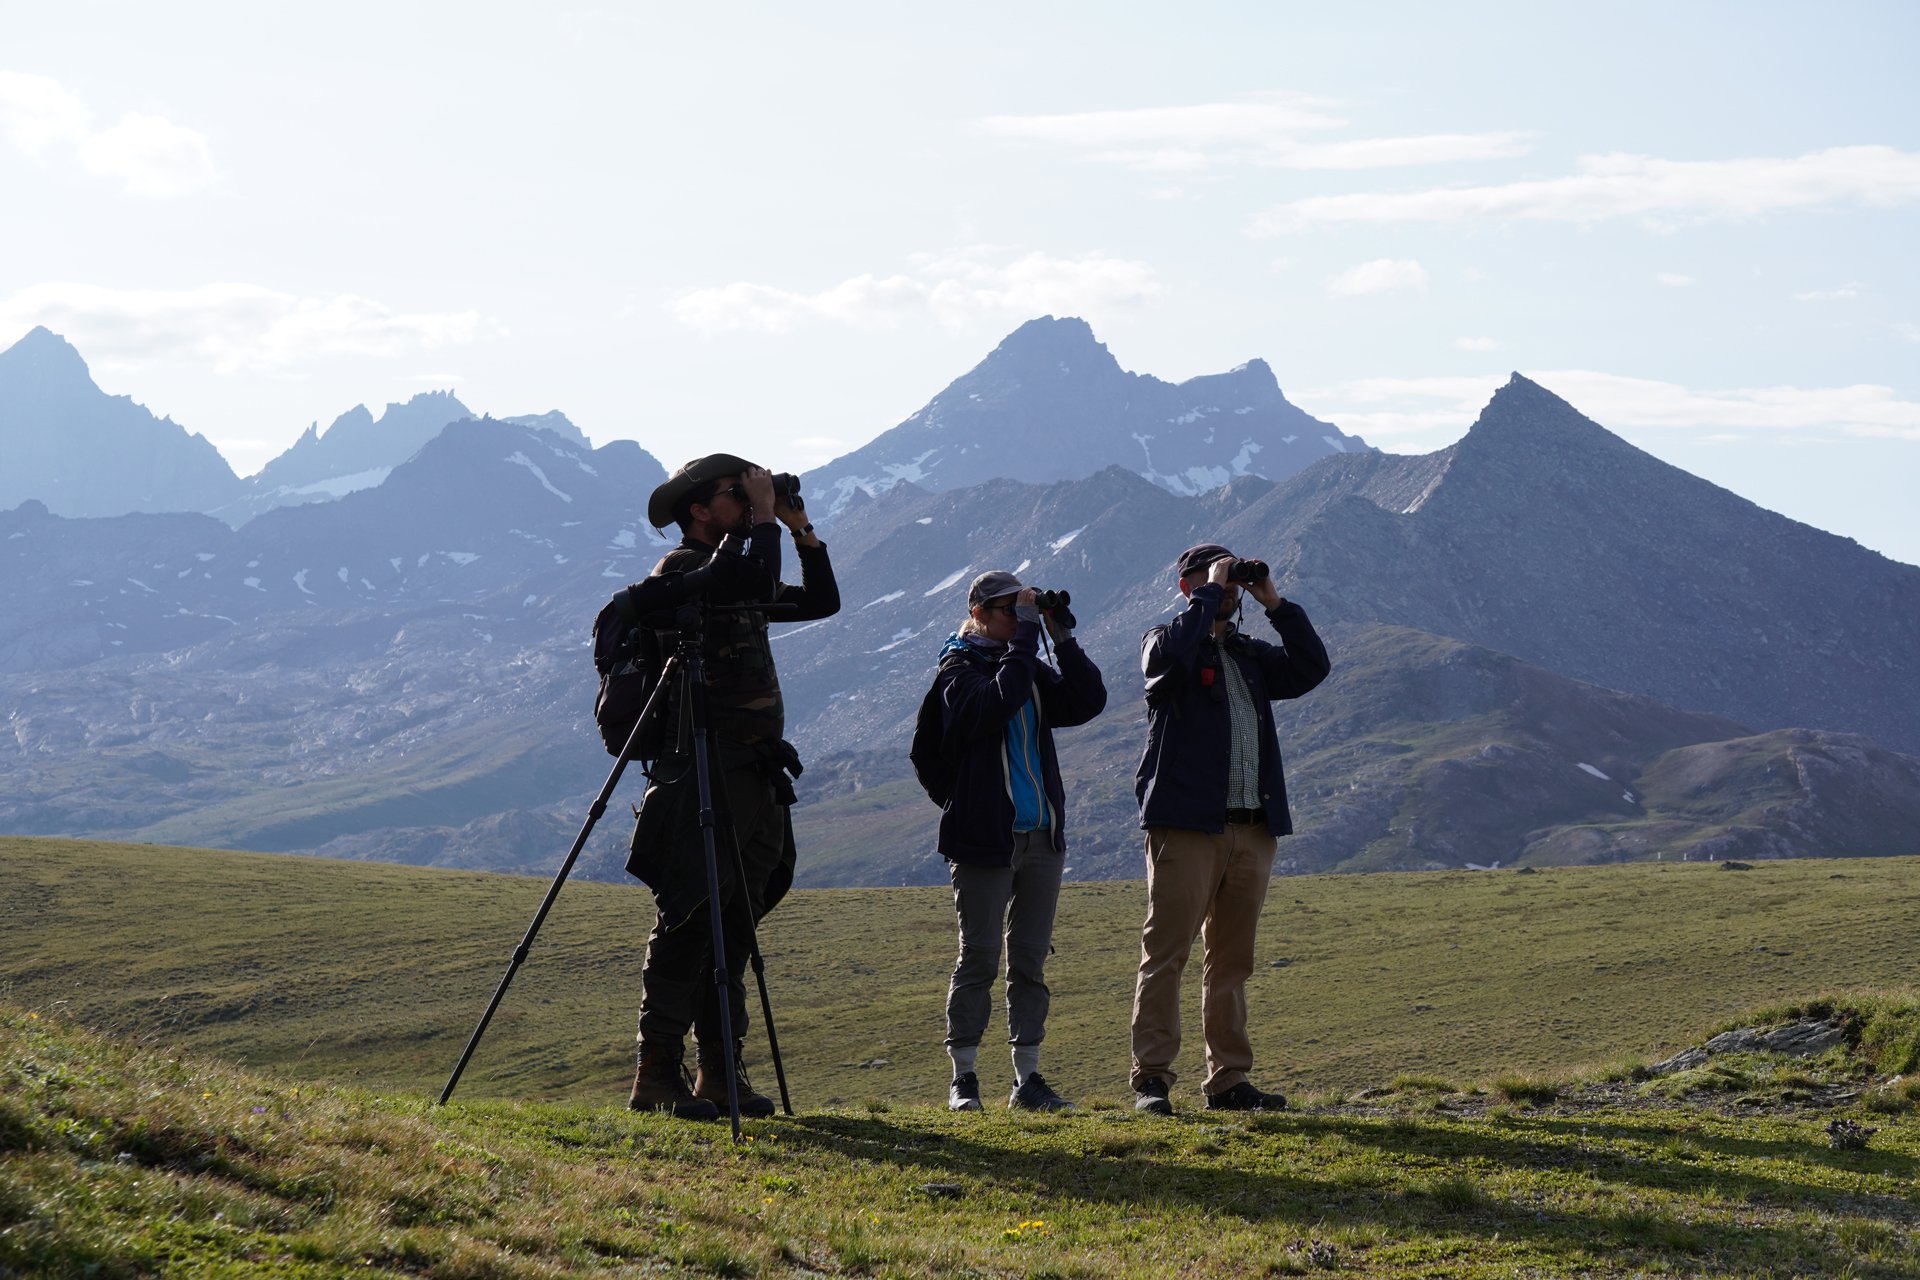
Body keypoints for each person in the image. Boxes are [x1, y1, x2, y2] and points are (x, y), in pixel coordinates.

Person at [624, 454, 839, 1120]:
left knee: (734, 925)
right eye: (735, 494)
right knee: (689, 915)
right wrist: (767, 520)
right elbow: (750, 575)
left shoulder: (739, 573)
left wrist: (800, 529)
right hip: (704, 772)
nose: (748, 502)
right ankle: (655, 1073)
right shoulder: (686, 573)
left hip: (755, 770)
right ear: (698, 510)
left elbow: (823, 601)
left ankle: (721, 1076)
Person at [1129, 543, 1330, 1114]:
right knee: (1167, 952)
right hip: (1188, 825)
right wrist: (1209, 593)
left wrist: (1276, 603)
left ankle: (1228, 1079)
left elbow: (1311, 669)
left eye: (1232, 577)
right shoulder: (1164, 640)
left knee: (1232, 958)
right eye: (1215, 577)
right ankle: (1151, 1079)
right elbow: (1162, 664)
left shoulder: (1247, 655)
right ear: (1186, 586)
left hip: (1253, 824)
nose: (1229, 587)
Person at [932, 571, 1106, 1112]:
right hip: (985, 839)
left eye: (1022, 609)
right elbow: (996, 701)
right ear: (979, 612)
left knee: (1029, 963)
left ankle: (1026, 1080)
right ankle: (964, 1079)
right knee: (980, 959)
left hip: (1040, 837)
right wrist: (1028, 639)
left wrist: (1061, 636)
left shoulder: (1025, 663)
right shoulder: (957, 669)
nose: (1017, 617)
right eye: (1010, 609)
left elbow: (1086, 700)